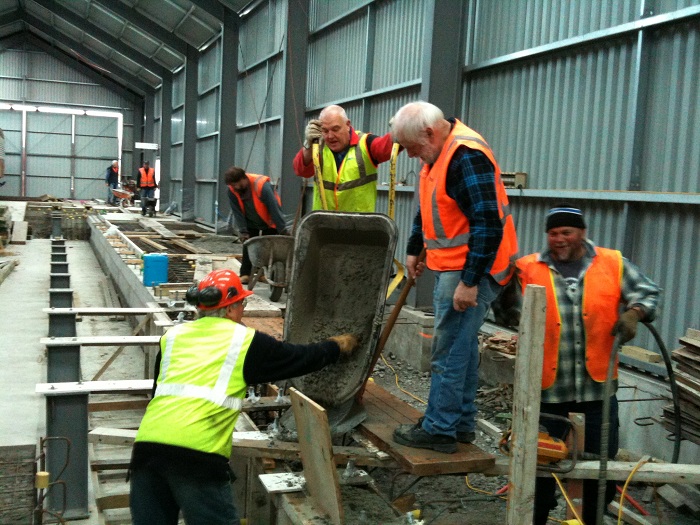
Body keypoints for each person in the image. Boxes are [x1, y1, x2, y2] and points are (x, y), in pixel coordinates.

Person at [129, 268, 358, 525]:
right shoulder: (244, 341)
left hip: (145, 454)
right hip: (196, 459)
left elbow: (157, 393)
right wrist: (336, 346)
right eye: (242, 304)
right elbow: (299, 358)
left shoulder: (172, 337)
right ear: (229, 309)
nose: (243, 310)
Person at [515, 204, 660, 525]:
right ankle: (535, 515)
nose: (559, 239)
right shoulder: (528, 267)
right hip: (548, 389)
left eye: (566, 232)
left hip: (597, 386)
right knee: (539, 463)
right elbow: (503, 299)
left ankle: (594, 518)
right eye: (553, 233)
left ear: (581, 232)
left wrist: (634, 312)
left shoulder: (612, 263)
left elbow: (649, 292)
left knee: (601, 463)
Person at [389, 101, 518, 453]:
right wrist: (416, 246)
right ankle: (459, 423)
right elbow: (429, 205)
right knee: (459, 346)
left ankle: (440, 428)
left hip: (472, 267)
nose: (414, 156)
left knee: (447, 350)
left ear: (429, 133)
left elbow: (488, 222)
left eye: (414, 148)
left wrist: (470, 281)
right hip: (455, 265)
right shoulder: (436, 155)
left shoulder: (465, 156)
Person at [292, 104, 395, 212]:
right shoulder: (318, 147)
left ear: (348, 125)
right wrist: (308, 145)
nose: (330, 136)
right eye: (325, 131)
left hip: (360, 226)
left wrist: (399, 129)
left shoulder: (365, 144)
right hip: (324, 225)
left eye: (335, 129)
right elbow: (300, 170)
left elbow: (387, 147)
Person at [224, 167, 290, 284]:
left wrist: (282, 229)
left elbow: (273, 208)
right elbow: (237, 212)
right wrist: (243, 230)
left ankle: (262, 274)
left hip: (268, 220)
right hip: (250, 221)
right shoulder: (232, 191)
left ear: (244, 179)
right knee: (248, 245)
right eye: (232, 185)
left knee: (268, 248)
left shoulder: (261, 186)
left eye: (236, 184)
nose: (235, 188)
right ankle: (245, 274)